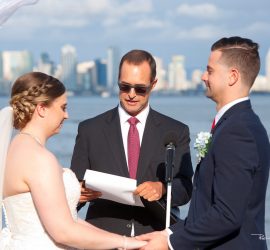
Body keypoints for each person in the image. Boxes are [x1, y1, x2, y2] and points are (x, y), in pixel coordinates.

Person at [138, 36, 270, 249]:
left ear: (232, 76)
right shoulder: (235, 124)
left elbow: (227, 215)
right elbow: (206, 206)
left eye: (210, 70)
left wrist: (170, 243)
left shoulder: (238, 131)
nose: (202, 76)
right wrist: (165, 234)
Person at [0, 72, 146, 249]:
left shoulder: (16, 148)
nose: (66, 115)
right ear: (41, 109)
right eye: (63, 107)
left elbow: (70, 220)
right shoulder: (38, 158)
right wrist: (125, 243)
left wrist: (124, 240)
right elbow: (64, 231)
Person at [71, 49, 194, 236]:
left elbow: (185, 187)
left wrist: (161, 188)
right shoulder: (90, 130)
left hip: (154, 239)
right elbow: (75, 189)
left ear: (153, 85)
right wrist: (76, 194)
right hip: (102, 240)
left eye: (140, 88)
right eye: (124, 86)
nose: (131, 94)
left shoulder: (177, 131)